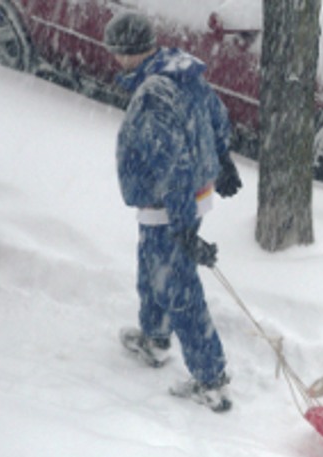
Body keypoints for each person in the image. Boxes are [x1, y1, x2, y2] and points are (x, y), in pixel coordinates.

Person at [104, 11, 243, 412]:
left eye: (116, 52)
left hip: (170, 205)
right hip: (188, 197)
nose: (113, 59)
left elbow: (174, 164)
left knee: (178, 288)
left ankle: (211, 379)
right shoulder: (181, 70)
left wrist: (183, 227)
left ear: (126, 52)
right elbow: (216, 114)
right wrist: (223, 156)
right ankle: (155, 338)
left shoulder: (153, 93)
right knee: (153, 269)